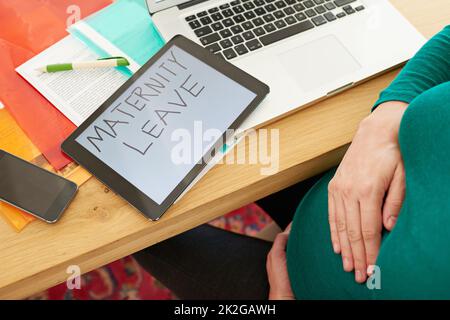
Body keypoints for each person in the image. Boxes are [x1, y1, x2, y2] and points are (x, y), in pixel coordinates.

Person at [134, 25, 450, 299]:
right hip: (338, 179)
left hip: (291, 284)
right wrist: (386, 116)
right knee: (224, 115)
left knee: (141, 229)